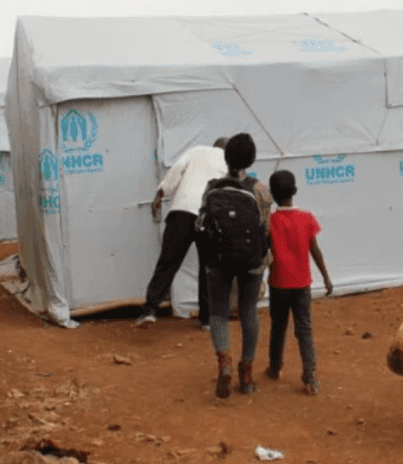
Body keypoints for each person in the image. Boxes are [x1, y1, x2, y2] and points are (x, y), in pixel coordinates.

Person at [134, 137, 229, 328]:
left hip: (182, 211)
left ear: (214, 145)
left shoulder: (196, 150)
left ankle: (150, 310)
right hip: (209, 216)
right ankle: (207, 320)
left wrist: (161, 192)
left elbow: (177, 169)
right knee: (208, 268)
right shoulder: (228, 163)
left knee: (168, 262)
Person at [204, 133, 271, 398]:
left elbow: (204, 223)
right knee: (248, 312)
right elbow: (265, 229)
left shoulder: (211, 188)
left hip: (218, 260)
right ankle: (247, 374)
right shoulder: (260, 190)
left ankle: (225, 362)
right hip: (252, 261)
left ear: (226, 157)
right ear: (251, 159)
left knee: (218, 312)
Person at [264, 170, 333, 395]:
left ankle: (275, 368)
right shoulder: (307, 217)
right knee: (304, 330)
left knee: (278, 327)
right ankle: (310, 376)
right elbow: (315, 250)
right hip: (302, 284)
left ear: (272, 194)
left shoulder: (269, 221)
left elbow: (264, 252)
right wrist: (326, 276)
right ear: (294, 191)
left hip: (278, 283)